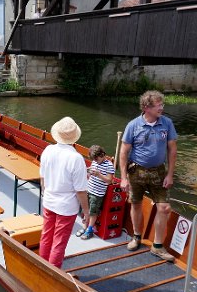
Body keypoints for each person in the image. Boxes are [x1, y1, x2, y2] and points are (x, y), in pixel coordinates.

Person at [119, 90, 177, 262]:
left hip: (159, 172)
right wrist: (123, 177)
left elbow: (172, 150)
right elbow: (124, 152)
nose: (162, 108)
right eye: (158, 105)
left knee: (164, 208)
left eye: (162, 104)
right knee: (136, 204)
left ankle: (157, 246)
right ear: (146, 108)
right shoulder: (133, 125)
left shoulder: (167, 123)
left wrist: (170, 174)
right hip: (136, 171)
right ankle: (137, 236)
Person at [39, 117, 90, 268]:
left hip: (49, 200)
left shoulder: (48, 150)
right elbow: (80, 191)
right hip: (66, 206)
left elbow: (42, 177)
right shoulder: (76, 158)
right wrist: (86, 211)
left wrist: (45, 193)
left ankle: (41, 267)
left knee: (46, 236)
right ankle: (53, 274)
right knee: (59, 242)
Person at [76, 145, 114, 240]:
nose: (95, 161)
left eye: (96, 159)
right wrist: (88, 171)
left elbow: (109, 180)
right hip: (88, 189)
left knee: (93, 212)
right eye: (94, 160)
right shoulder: (94, 161)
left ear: (102, 155)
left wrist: (99, 174)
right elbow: (91, 172)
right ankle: (84, 227)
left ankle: (90, 229)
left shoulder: (109, 165)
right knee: (85, 209)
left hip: (97, 193)